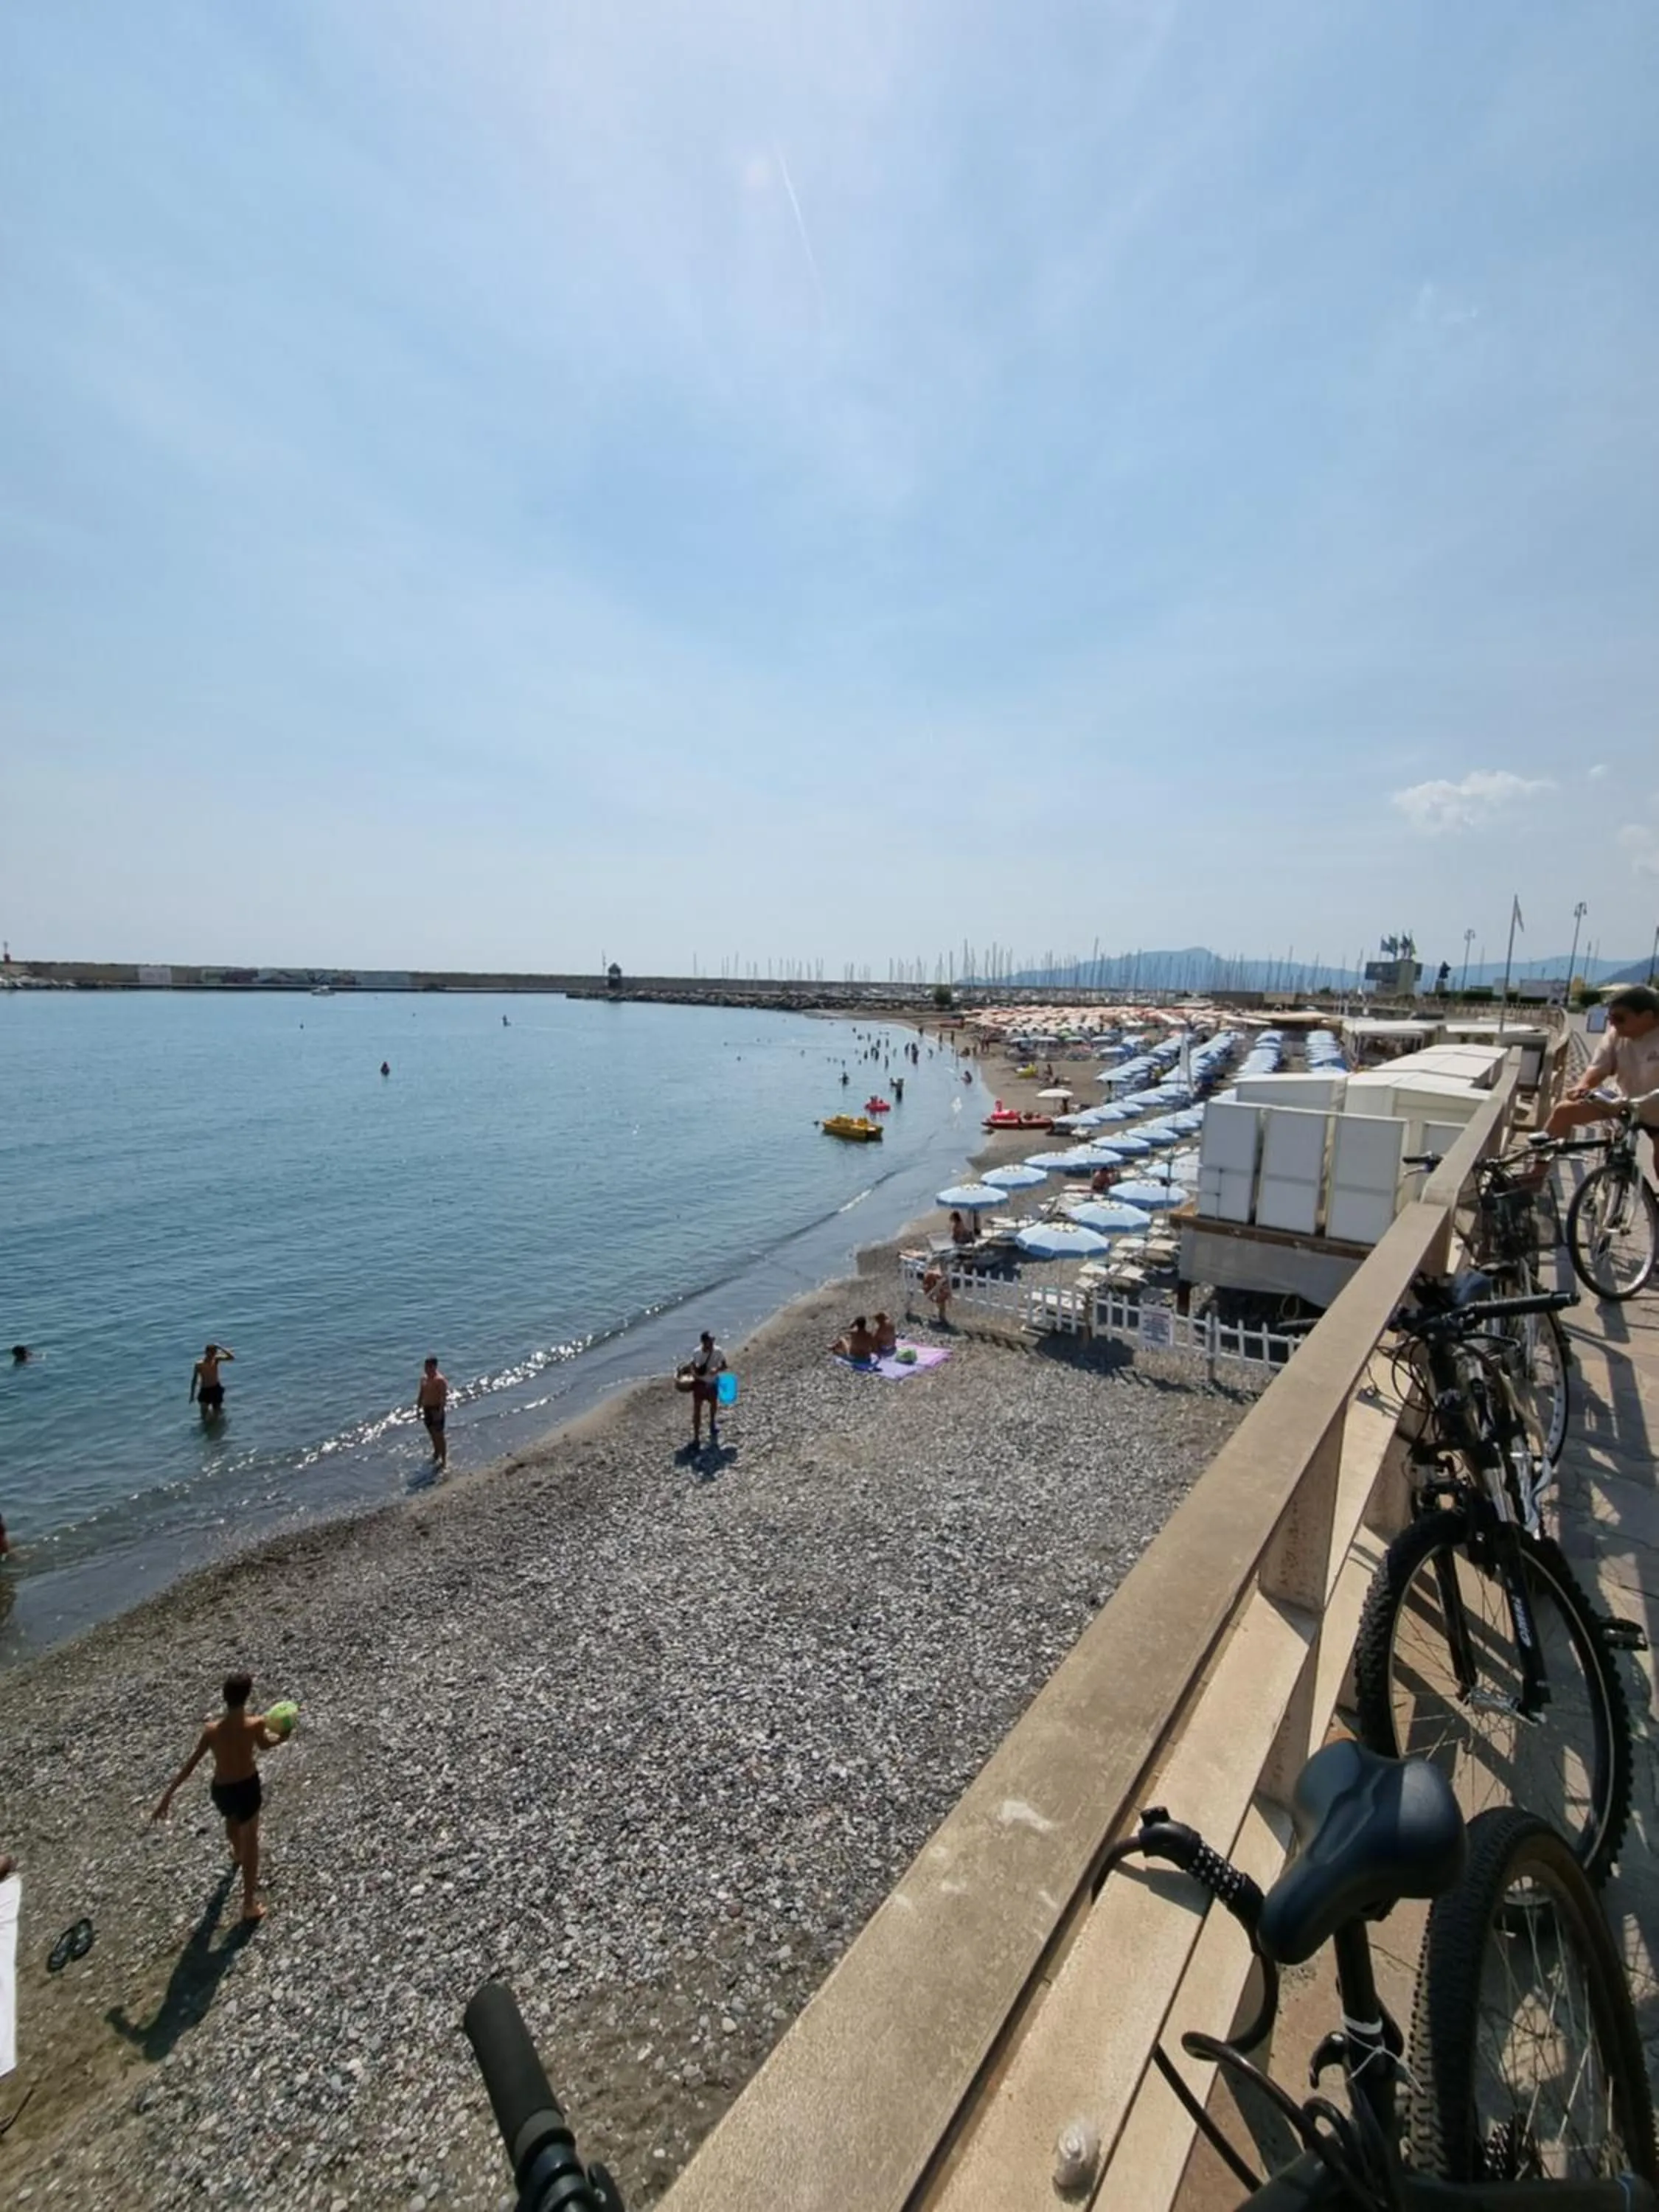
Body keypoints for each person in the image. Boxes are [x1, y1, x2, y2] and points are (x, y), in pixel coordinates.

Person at [152, 1672, 288, 1924]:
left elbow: (191, 1765)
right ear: (247, 1696)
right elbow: (264, 1746)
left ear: (224, 1698)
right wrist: (281, 1739)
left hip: (222, 1788)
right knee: (252, 1843)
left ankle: (236, 1852)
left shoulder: (212, 1731)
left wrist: (167, 1796)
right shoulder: (255, 1724)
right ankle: (248, 1904)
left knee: (231, 1820)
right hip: (247, 1786)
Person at [1538, 986, 1659, 1162]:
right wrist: (1583, 1085)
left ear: (1647, 1016)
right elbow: (1599, 1067)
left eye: (1619, 1019)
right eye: (1610, 1018)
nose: (1613, 1024)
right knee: (1564, 1112)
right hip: (1621, 1099)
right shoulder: (1616, 1035)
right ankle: (1535, 1177)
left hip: (1655, 1107)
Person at [679, 1330, 726, 1446]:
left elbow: (724, 1365)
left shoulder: (718, 1351)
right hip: (699, 1385)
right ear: (703, 1343)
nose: (711, 1345)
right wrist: (692, 1373)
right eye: (709, 1343)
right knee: (697, 1410)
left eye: (712, 1342)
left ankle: (712, 1423)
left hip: (712, 1383)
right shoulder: (697, 1353)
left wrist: (717, 1370)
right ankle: (696, 1436)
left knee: (714, 1404)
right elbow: (693, 1367)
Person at [415, 1355, 449, 1468]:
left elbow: (443, 1397)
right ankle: (436, 1453)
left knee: (439, 1434)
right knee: (432, 1433)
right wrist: (418, 1408)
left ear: (435, 1367)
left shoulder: (440, 1380)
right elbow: (421, 1394)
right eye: (425, 1367)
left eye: (429, 1367)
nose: (426, 1369)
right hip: (427, 1409)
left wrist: (440, 1411)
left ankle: (444, 1460)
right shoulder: (424, 1379)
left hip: (436, 1409)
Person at [189, 1342, 234, 1416]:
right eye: (212, 1353)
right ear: (206, 1353)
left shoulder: (216, 1360)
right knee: (204, 1415)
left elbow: (231, 1358)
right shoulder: (199, 1364)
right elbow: (194, 1380)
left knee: (217, 1414)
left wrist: (220, 1348)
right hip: (205, 1390)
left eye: (214, 1353)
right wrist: (192, 1395)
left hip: (215, 1388)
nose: (213, 1355)